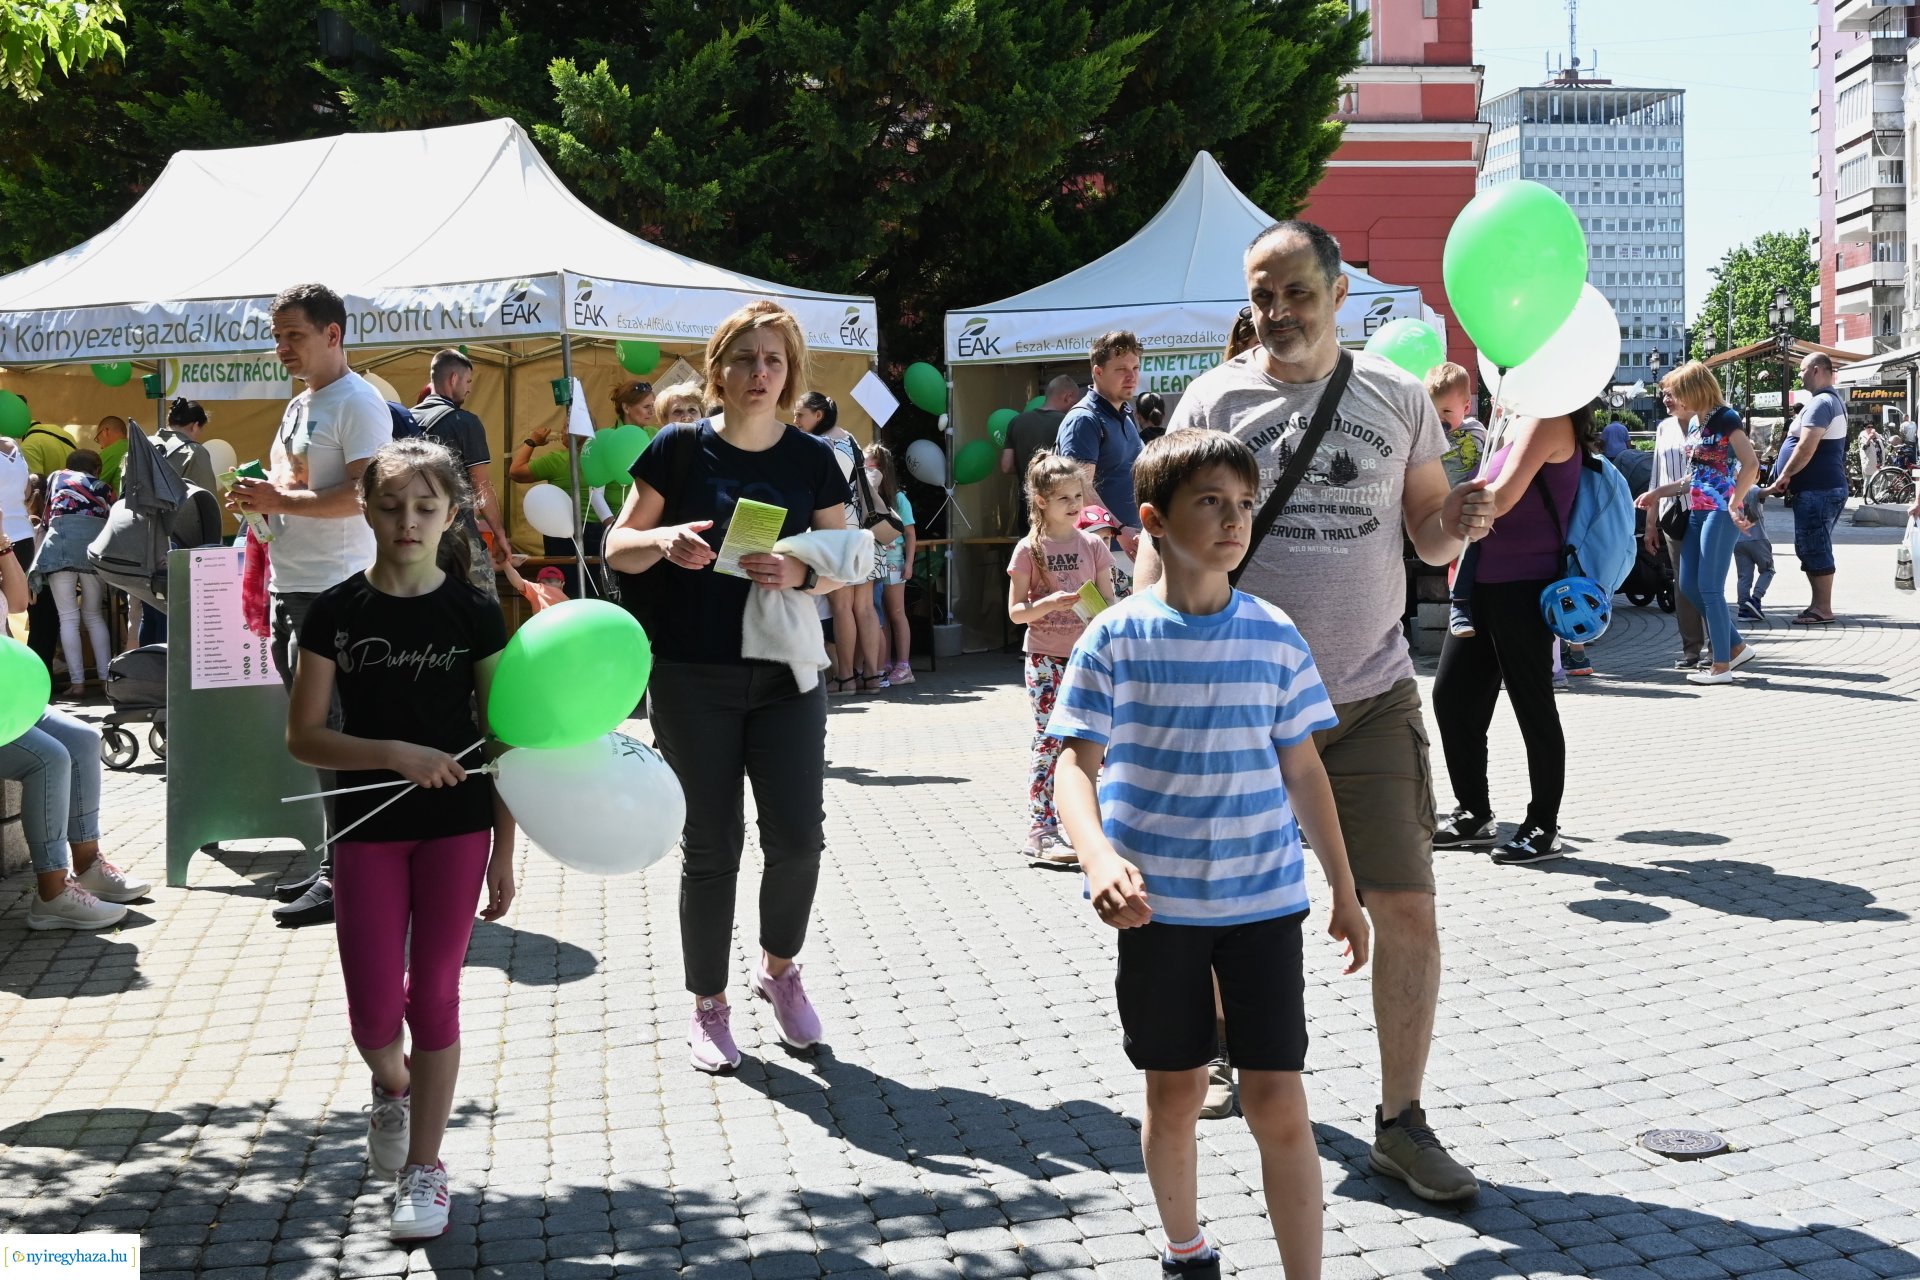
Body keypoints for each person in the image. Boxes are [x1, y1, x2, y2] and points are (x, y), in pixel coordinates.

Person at [1153, 219, 1494, 1202]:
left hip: (1369, 694)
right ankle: (1224, 1047)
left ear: (1340, 293)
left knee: (1408, 907)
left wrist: (1457, 519)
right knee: (1223, 905)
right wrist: (1149, 656)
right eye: (1262, 295)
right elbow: (1166, 541)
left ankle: (1402, 1121)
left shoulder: (1395, 396)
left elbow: (1427, 536)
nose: (1279, 312)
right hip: (1239, 703)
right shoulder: (1214, 399)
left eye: (1297, 292)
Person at [1050, 429, 1368, 1280]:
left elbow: (1304, 770)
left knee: (1278, 1099)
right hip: (1159, 913)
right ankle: (1185, 1249)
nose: (1234, 520)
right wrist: (1097, 859)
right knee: (1175, 1091)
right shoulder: (1114, 638)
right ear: (1154, 520)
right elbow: (1073, 770)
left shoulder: (1274, 633)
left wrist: (1344, 889)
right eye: (1211, 503)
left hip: (1265, 906)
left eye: (1244, 504)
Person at [605, 300, 854, 1074]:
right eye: (745, 358)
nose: (759, 372)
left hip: (786, 674)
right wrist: (662, 538)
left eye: (774, 360)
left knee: (798, 840)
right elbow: (617, 546)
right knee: (711, 848)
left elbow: (850, 557)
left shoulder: (812, 458)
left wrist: (799, 570)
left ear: (791, 372)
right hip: (691, 675)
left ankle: (779, 971)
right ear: (718, 369)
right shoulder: (679, 447)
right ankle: (708, 1005)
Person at [286, 437, 514, 1241]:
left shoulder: (475, 611)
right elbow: (304, 738)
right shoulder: (335, 612)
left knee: (436, 992)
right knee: (374, 1011)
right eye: (390, 506)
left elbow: (502, 738)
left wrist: (506, 849)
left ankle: (425, 1168)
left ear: (451, 514)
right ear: (365, 508)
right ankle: (392, 1086)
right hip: (366, 829)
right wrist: (395, 755)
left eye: (425, 507)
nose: (407, 521)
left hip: (459, 827)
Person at [230, 282, 396, 929]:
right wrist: (261, 499)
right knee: (318, 738)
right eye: (277, 336)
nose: (282, 348)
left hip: (338, 591)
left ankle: (348, 876)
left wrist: (277, 501)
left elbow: (364, 495)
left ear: (333, 334)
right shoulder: (300, 404)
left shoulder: (359, 401)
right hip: (292, 587)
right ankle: (341, 865)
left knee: (335, 737)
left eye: (293, 335)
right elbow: (296, 488)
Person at [1432, 403, 1593, 866]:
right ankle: (1474, 813)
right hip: (1481, 586)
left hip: (1525, 588)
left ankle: (1543, 826)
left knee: (1532, 707)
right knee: (1452, 698)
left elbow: (1497, 501)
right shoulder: (1515, 420)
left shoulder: (1548, 419)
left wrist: (1435, 501)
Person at [3, 526, 151, 929]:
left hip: (7, 699)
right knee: (49, 759)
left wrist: (2, 545)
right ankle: (52, 892)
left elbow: (18, 602)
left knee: (83, 739)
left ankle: (88, 866)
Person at [1006, 451, 1114, 864]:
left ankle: (1088, 824)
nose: (1074, 504)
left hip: (1088, 658)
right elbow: (1016, 612)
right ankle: (1042, 828)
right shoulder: (1028, 550)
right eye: (1064, 498)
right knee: (1050, 740)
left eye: (1078, 496)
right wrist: (1047, 604)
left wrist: (1102, 612)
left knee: (1094, 741)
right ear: (1041, 501)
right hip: (1045, 659)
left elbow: (1108, 602)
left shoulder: (1093, 545)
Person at [1636, 362, 1760, 686]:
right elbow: (1694, 478)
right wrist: (1657, 493)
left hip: (1720, 512)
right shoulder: (1695, 423)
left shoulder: (1727, 418)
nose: (1672, 398)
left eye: (1677, 392)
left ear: (1694, 389)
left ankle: (1721, 666)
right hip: (1697, 510)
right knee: (1689, 585)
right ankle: (1736, 646)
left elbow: (1751, 465)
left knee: (1709, 588)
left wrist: (1734, 503)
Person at [509, 380, 653, 594]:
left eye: (565, 427)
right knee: (603, 589)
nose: (562, 432)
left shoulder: (559, 460)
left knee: (571, 590)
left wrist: (532, 441)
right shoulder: (604, 449)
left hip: (574, 534)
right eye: (647, 406)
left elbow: (515, 472)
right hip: (604, 529)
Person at [796, 391, 886, 693]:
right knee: (866, 608)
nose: (795, 421)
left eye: (800, 415)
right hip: (864, 532)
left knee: (842, 607)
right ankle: (872, 676)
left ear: (818, 415)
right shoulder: (850, 440)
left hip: (836, 532)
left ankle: (845, 677)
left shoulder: (818, 445)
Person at [413, 349, 511, 601]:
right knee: (482, 608)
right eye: (468, 381)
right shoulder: (464, 422)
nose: (469, 389)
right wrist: (499, 534)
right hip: (459, 535)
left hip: (414, 536)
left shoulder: (405, 420)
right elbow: (482, 486)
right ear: (453, 378)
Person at [1764, 353, 1849, 625]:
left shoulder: (1822, 402)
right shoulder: (1827, 401)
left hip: (1818, 489)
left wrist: (1784, 475)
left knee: (1815, 546)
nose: (1799, 376)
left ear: (1816, 370)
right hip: (1819, 488)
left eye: (1801, 370)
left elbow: (1805, 447)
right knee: (1811, 545)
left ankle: (1823, 608)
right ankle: (1817, 605)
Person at [28, 449, 116, 699]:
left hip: (61, 550)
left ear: (68, 466)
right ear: (97, 469)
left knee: (67, 618)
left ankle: (77, 684)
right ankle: (105, 680)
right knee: (94, 616)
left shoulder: (57, 477)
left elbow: (47, 514)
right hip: (93, 553)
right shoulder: (106, 489)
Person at [1058, 333, 1146, 557]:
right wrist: (1118, 530)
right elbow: (1079, 489)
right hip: (1099, 550)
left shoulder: (1125, 414)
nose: (1131, 376)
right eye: (1121, 369)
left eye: (1135, 368)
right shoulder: (1084, 419)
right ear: (1098, 372)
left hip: (1129, 545)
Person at [1425, 363, 1487, 638]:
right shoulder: (1426, 436)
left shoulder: (1477, 430)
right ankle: (1459, 604)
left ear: (1466, 407)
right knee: (1465, 546)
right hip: (1445, 505)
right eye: (1433, 411)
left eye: (1447, 412)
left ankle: (1471, 603)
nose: (1440, 419)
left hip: (1475, 500)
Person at [1647, 387, 1707, 669]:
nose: (1665, 399)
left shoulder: (1707, 422)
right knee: (1683, 584)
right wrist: (1650, 524)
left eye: (1671, 393)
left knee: (1707, 582)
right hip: (1674, 515)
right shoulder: (1664, 428)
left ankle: (1720, 647)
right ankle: (1691, 649)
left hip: (1705, 510)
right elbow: (1656, 477)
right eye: (1663, 394)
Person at [865, 443, 917, 687]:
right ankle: (884, 663)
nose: (866, 468)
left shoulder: (898, 499)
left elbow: (910, 534)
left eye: (870, 464)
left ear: (882, 468)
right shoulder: (866, 496)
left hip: (894, 562)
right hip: (873, 562)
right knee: (880, 614)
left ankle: (904, 665)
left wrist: (909, 563)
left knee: (896, 613)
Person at [1000, 375, 1081, 496]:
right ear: (1068, 397)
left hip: (1027, 498)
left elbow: (1006, 466)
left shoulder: (1016, 421)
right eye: (1074, 402)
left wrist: (1028, 469)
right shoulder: (1069, 422)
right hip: (1059, 499)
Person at [1733, 485, 1775, 622]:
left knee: (1744, 576)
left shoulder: (1732, 490)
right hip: (1758, 539)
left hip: (1738, 541)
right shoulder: (1752, 488)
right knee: (1768, 570)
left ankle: (1743, 609)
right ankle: (1755, 599)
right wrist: (1775, 487)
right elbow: (1764, 492)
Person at [1076, 503, 1129, 597]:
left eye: (1106, 538)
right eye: (1094, 539)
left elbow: (1127, 598)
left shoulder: (1115, 573)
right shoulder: (1071, 569)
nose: (1101, 544)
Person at [92, 416, 127, 492]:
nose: (101, 447)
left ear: (105, 432)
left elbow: (93, 486)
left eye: (98, 439)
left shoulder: (111, 452)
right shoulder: (137, 447)